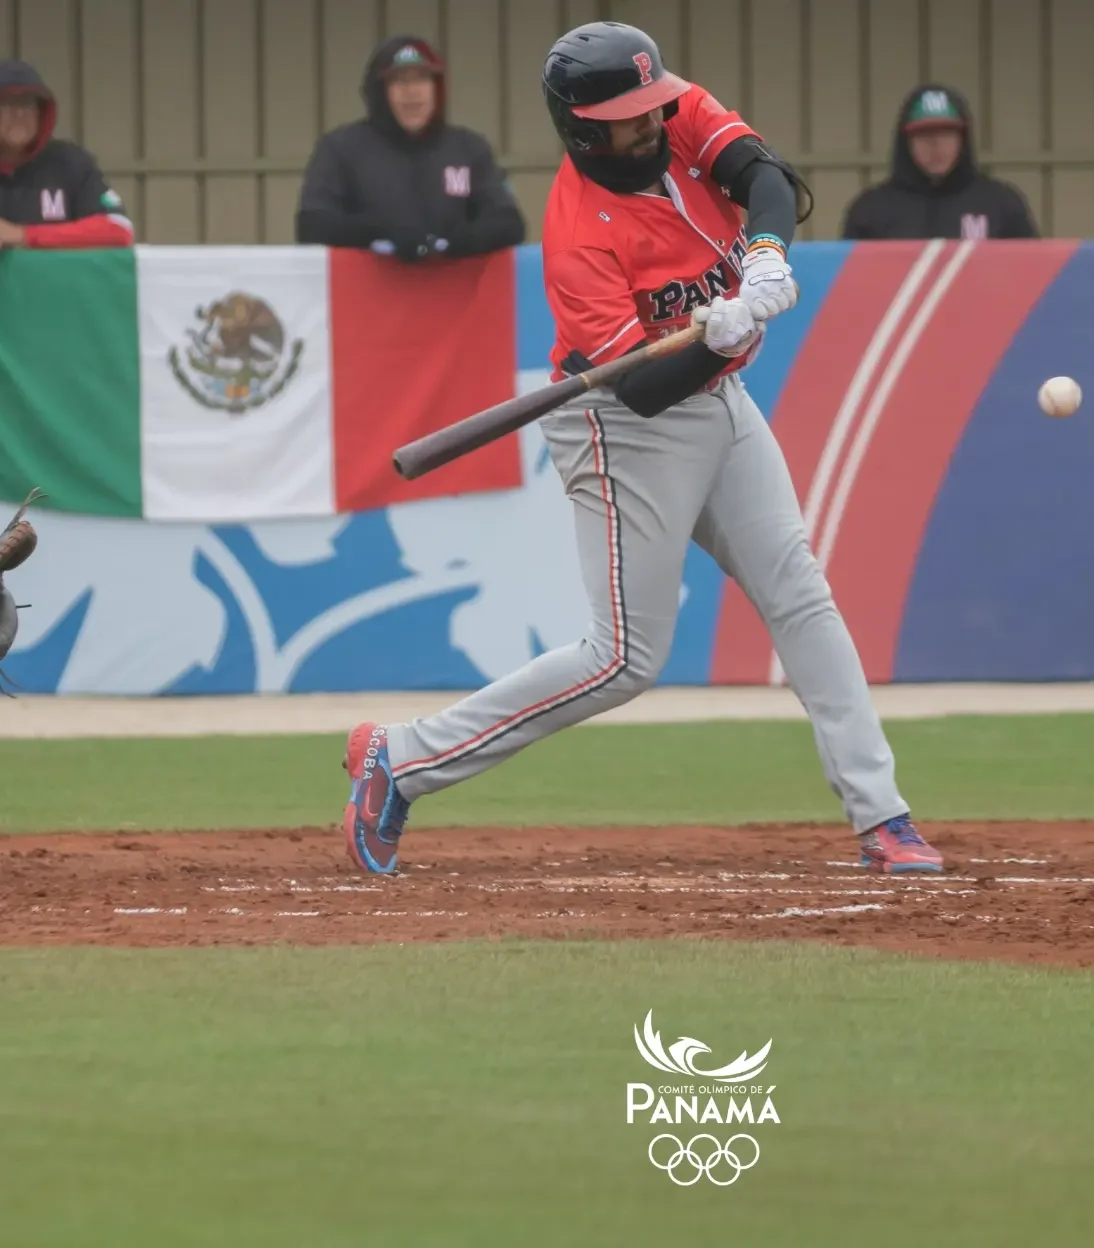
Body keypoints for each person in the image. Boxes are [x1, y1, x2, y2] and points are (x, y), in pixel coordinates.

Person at [339, 21, 944, 879]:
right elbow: (644, 388)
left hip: (720, 401)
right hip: (623, 425)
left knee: (800, 593)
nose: (652, 122)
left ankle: (882, 816)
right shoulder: (577, 235)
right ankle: (402, 758)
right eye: (628, 117)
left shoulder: (673, 108)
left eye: (654, 105)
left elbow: (767, 178)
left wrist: (765, 256)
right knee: (623, 659)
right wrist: (726, 337)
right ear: (583, 129)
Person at [295, 35, 525, 262]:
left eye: (422, 79)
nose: (412, 91)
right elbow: (312, 224)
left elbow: (508, 222)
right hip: (369, 286)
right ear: (379, 91)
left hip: (455, 285)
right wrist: (381, 233)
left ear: (437, 87)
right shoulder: (340, 149)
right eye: (399, 81)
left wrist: (461, 242)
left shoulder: (470, 149)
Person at [841, 84, 1038, 241]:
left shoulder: (1002, 205)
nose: (936, 145)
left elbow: (1032, 271)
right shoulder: (870, 211)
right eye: (924, 135)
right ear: (906, 142)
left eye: (946, 134)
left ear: (963, 139)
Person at [0, 58, 134, 253]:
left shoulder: (69, 163)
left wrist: (24, 234)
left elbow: (119, 227)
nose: (19, 114)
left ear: (42, 113)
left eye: (28, 103)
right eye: (7, 103)